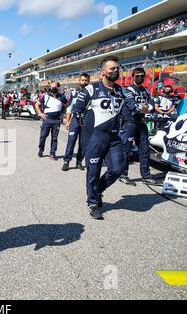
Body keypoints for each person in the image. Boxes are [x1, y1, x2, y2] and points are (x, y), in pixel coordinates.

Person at [72, 56, 127, 220]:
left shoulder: (120, 91)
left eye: (117, 68)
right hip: (95, 138)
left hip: (114, 137)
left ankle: (97, 191)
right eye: (112, 68)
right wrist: (87, 130)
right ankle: (93, 203)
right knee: (93, 173)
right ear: (103, 72)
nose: (116, 71)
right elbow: (77, 110)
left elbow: (125, 111)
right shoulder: (90, 89)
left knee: (118, 168)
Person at [119, 68, 157, 186]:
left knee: (145, 150)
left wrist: (146, 108)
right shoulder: (128, 90)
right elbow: (131, 105)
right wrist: (143, 108)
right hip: (129, 122)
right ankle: (123, 174)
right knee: (126, 149)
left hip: (141, 122)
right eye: (138, 75)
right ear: (133, 76)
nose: (140, 78)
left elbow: (151, 105)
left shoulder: (145, 90)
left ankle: (146, 175)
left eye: (142, 76)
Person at [62, 73, 90, 171]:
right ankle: (66, 161)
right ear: (79, 81)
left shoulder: (92, 92)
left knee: (83, 143)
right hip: (75, 120)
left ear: (89, 81)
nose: (84, 82)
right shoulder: (74, 92)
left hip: (86, 121)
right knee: (71, 141)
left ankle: (79, 161)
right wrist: (68, 121)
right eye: (82, 80)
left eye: (86, 80)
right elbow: (69, 107)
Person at [35, 82, 68, 160]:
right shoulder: (46, 96)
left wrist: (63, 114)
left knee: (54, 138)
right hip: (47, 119)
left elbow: (67, 105)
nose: (53, 88)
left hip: (56, 120)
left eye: (55, 87)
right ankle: (41, 149)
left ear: (58, 88)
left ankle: (52, 153)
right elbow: (37, 105)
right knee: (43, 136)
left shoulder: (62, 97)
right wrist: (40, 113)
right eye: (52, 87)